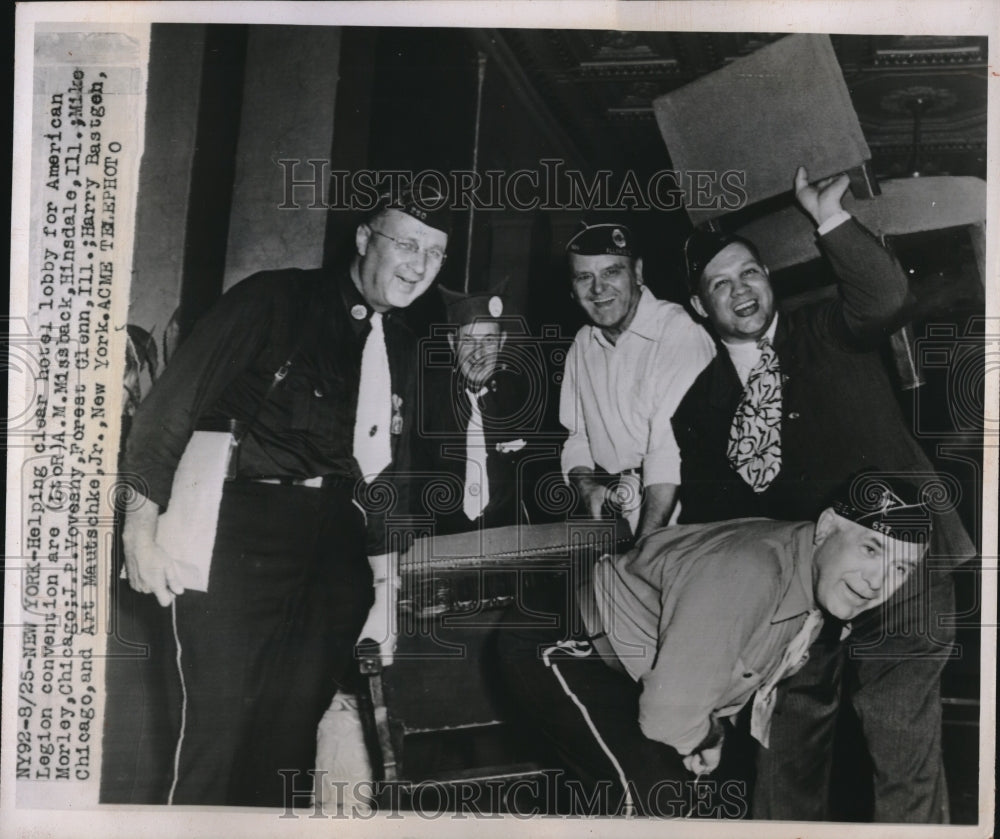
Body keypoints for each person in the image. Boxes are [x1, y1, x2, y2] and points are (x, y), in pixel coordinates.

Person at [119, 187, 450, 806]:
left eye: (435, 253)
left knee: (288, 748)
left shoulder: (403, 345)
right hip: (240, 532)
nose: (420, 265)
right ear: (362, 238)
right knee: (212, 740)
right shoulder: (275, 300)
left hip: (335, 551)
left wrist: (386, 594)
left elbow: (391, 482)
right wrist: (140, 530)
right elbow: (169, 410)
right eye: (407, 243)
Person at [672, 166, 976, 822]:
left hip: (904, 563)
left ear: (769, 277)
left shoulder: (823, 327)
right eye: (720, 283)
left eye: (749, 271)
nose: (741, 289)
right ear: (701, 307)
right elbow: (716, 531)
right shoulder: (699, 408)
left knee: (898, 734)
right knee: (780, 749)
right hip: (797, 597)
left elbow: (886, 296)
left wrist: (828, 217)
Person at [497, 474, 934, 817]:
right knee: (651, 803)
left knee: (692, 802)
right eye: (871, 549)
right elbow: (668, 717)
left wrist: (705, 729)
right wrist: (706, 732)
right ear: (827, 528)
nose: (879, 581)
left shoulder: (811, 573)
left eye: (900, 568)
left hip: (632, 665)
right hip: (562, 638)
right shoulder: (755, 570)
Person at [559, 223, 714, 538]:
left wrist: (645, 546)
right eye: (584, 277)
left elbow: (667, 451)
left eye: (611, 272)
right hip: (620, 512)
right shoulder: (582, 344)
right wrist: (587, 486)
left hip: (688, 512)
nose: (598, 289)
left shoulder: (676, 331)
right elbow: (577, 438)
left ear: (638, 272)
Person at [418, 286, 538, 534]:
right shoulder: (424, 397)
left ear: (502, 342)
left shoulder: (518, 395)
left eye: (489, 341)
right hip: (437, 539)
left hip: (503, 539)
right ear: (452, 343)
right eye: (468, 341)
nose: (479, 355)